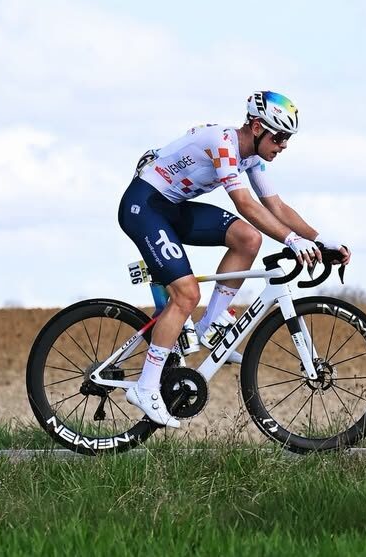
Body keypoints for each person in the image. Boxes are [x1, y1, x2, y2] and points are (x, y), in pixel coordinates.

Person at [117, 91, 350, 428]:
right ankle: (146, 386)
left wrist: (318, 240)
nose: (283, 145)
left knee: (248, 238)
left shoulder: (251, 158)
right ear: (257, 126)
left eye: (287, 139)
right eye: (280, 136)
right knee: (186, 294)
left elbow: (277, 207)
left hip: (174, 210)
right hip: (146, 206)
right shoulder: (223, 143)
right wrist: (291, 240)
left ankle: (210, 325)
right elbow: (245, 204)